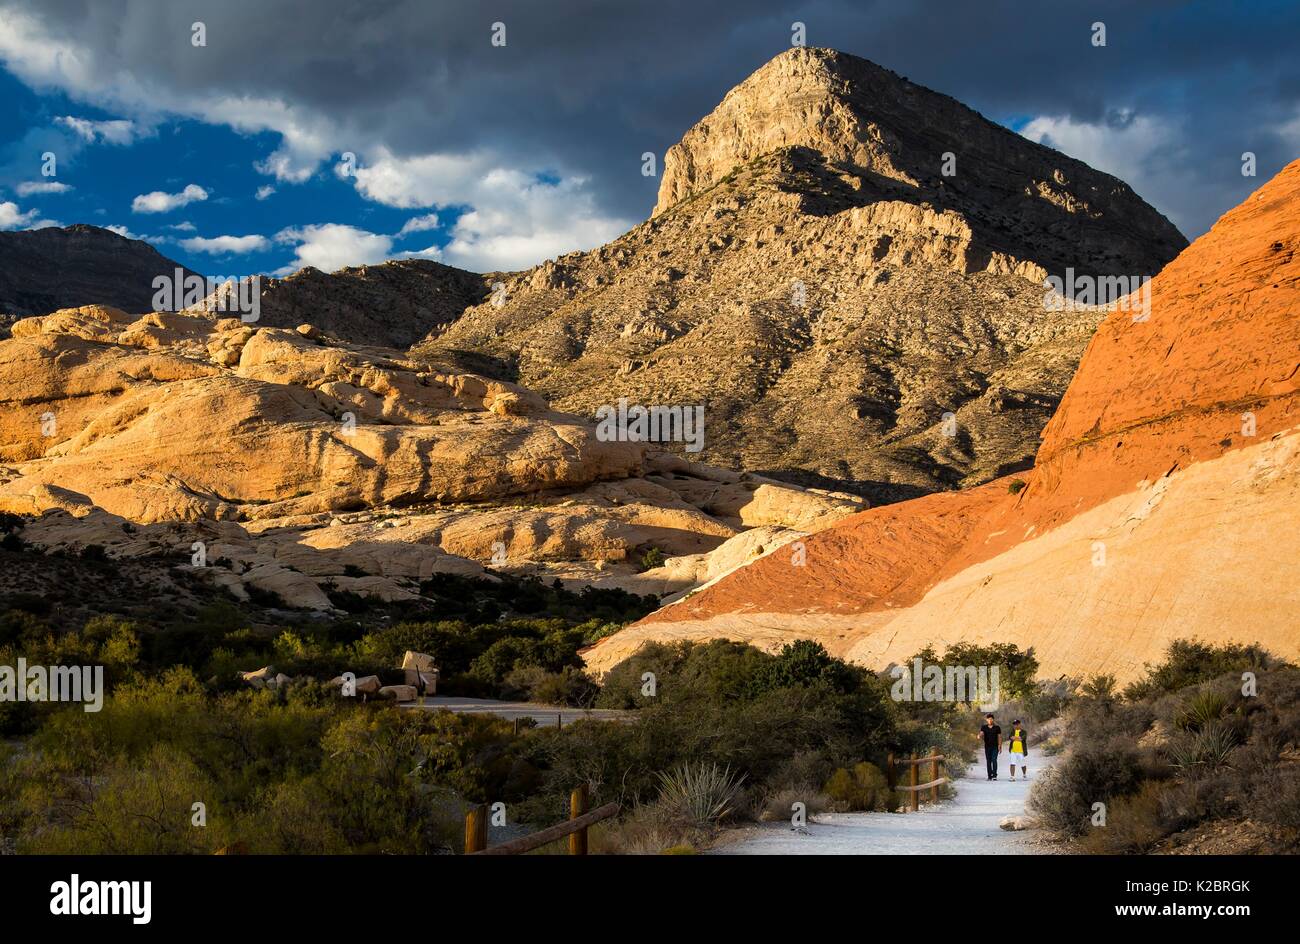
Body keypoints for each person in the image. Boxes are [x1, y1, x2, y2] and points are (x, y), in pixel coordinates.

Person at [978, 713, 1002, 780]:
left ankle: (994, 775)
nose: (990, 720)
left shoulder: (997, 728)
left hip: (995, 747)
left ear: (993, 719)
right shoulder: (984, 727)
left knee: (994, 760)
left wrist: (1000, 746)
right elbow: (981, 732)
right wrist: (979, 735)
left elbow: (999, 737)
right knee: (988, 761)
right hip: (987, 746)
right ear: (986, 720)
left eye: (991, 719)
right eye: (989, 719)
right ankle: (989, 776)